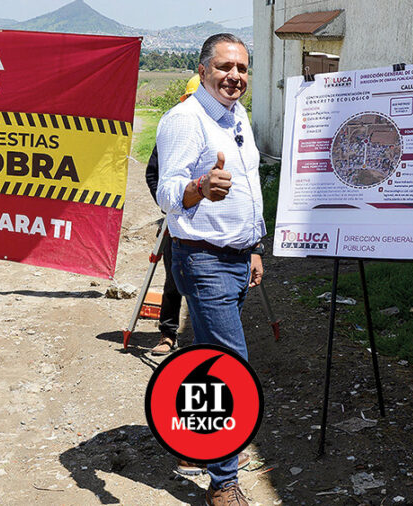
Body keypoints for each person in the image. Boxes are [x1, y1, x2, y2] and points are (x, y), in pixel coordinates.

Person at [156, 33, 264, 506]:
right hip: (203, 260)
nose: (234, 76)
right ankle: (223, 482)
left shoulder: (238, 116)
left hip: (236, 257)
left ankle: (197, 445)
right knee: (230, 366)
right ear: (202, 71)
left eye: (241, 68)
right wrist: (199, 187)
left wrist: (253, 247)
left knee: (208, 357)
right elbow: (166, 192)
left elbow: (250, 188)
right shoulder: (184, 120)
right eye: (224, 67)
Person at [144, 75, 201, 356]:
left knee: (207, 282)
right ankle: (168, 333)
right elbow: (152, 174)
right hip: (176, 218)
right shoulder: (174, 132)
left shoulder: (219, 133)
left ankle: (205, 336)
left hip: (210, 222)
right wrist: (167, 205)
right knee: (173, 279)